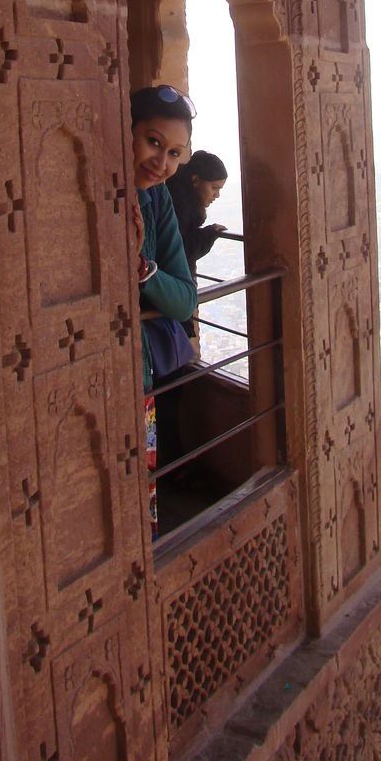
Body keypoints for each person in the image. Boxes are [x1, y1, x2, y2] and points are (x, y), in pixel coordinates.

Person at [129, 85, 198, 538]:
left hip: (140, 374)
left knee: (140, 488)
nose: (162, 162)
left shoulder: (157, 199)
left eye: (174, 153)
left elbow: (185, 299)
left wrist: (145, 273)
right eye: (153, 142)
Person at [166, 150, 229, 282]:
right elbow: (179, 252)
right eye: (214, 188)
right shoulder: (179, 205)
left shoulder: (178, 196)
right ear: (195, 180)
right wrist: (209, 234)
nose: (217, 195)